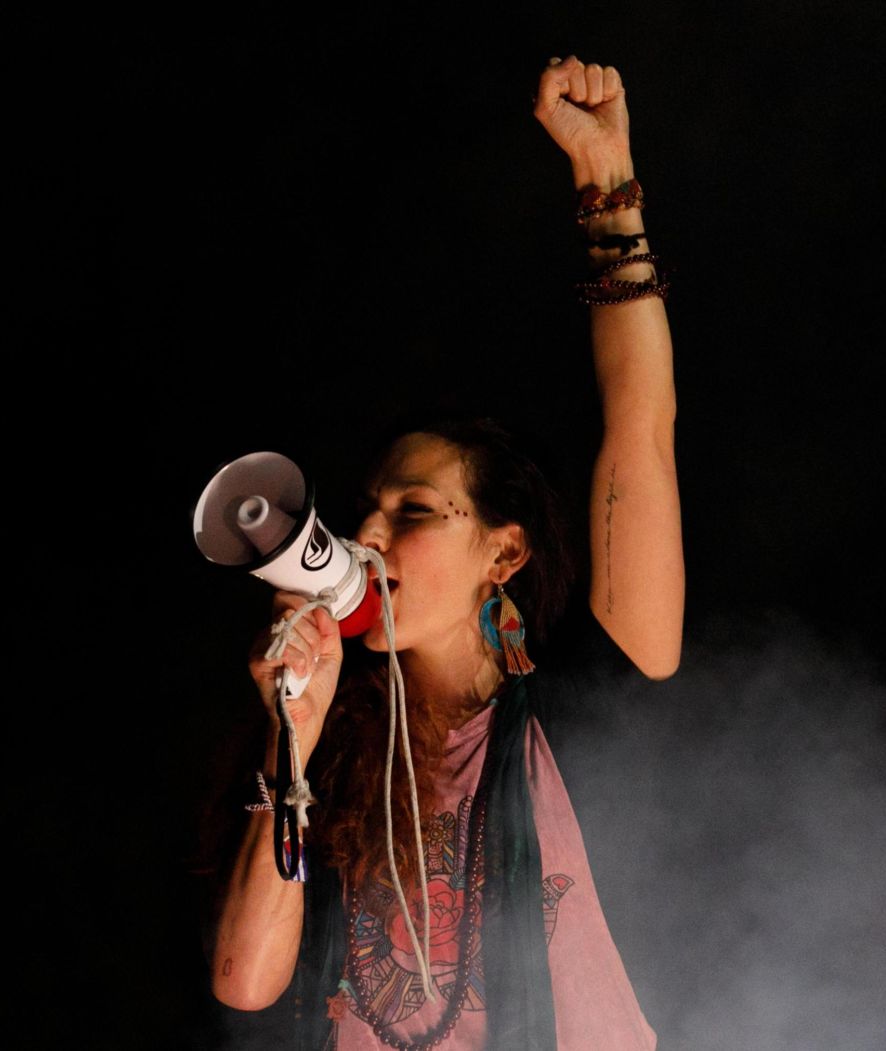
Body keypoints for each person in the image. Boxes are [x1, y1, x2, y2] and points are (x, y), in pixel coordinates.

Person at [210, 55, 682, 1050]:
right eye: (365, 509)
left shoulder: (587, 704)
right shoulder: (329, 748)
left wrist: (604, 177)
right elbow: (247, 985)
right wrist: (290, 738)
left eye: (414, 511)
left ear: (501, 554)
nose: (366, 535)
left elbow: (638, 423)